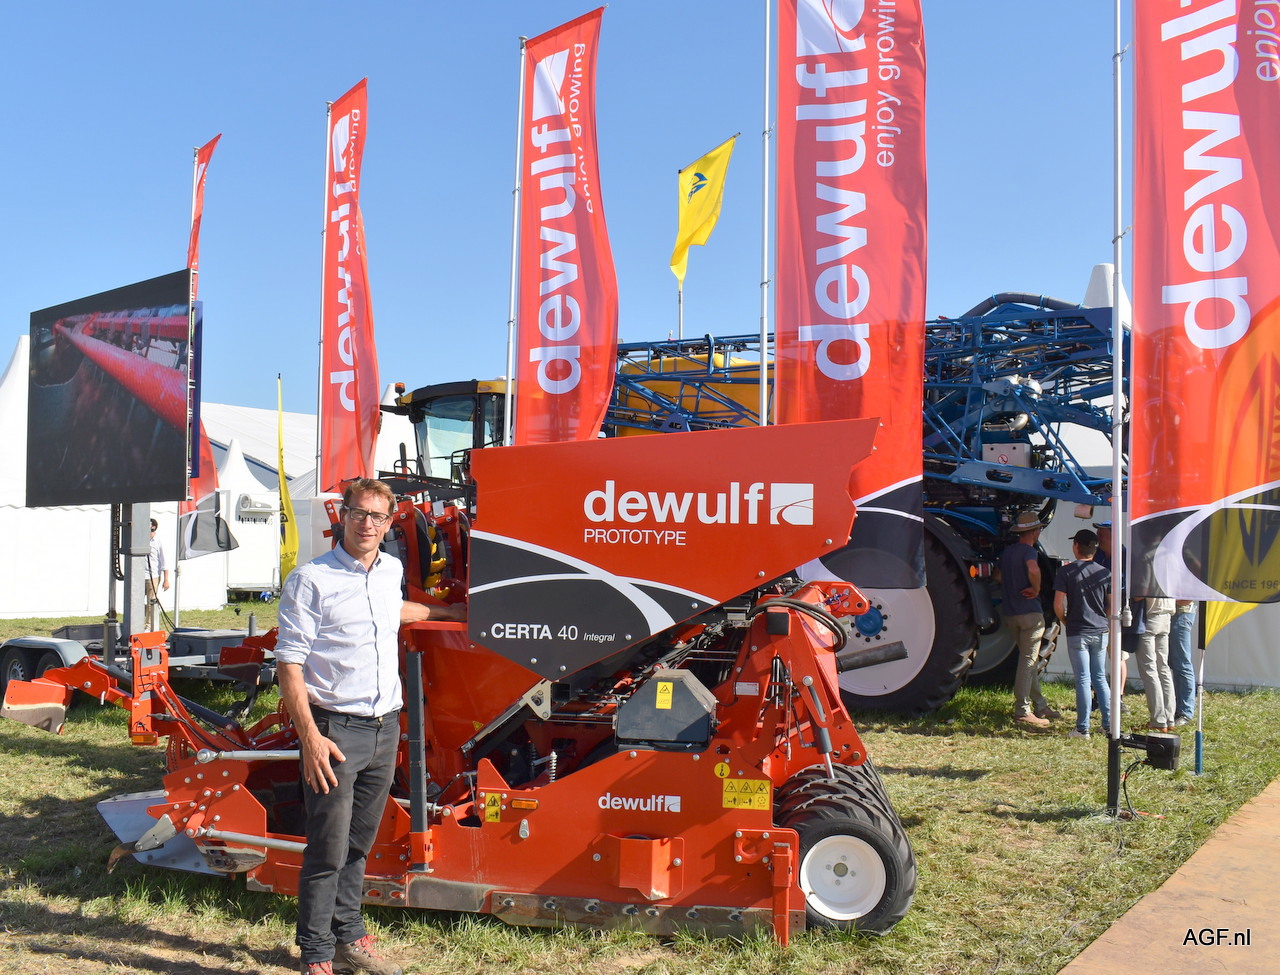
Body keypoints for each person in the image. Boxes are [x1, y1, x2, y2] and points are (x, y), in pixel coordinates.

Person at [275, 478, 465, 975]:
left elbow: (392, 610)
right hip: (336, 732)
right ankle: (316, 953)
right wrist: (311, 738)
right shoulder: (311, 579)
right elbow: (288, 664)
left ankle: (348, 935)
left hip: (384, 729)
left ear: (388, 522)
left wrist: (448, 611)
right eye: (359, 513)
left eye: (378, 517)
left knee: (359, 843)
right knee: (327, 848)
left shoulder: (389, 570)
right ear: (343, 516)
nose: (367, 524)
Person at [1000, 511, 1060, 728]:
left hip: (1011, 614)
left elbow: (997, 576)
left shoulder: (1007, 552)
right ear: (1035, 532)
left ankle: (1040, 705)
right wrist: (1036, 589)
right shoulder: (1029, 551)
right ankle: (1022, 710)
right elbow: (1033, 570)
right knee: (1028, 662)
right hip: (1030, 614)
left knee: (1029, 661)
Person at [1053, 529, 1112, 739]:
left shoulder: (1066, 572)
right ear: (1094, 549)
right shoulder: (1104, 573)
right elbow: (1111, 606)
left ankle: (1082, 728)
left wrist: (1065, 620)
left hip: (1078, 631)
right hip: (1100, 630)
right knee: (1100, 678)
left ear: (1076, 546)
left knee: (1083, 680)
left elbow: (1058, 604)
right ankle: (1109, 725)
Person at [1135, 595, 1177, 731]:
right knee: (1163, 669)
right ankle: (1169, 718)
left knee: (1150, 670)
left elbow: (1138, 595)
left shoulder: (1150, 577)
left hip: (1151, 616)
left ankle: (1159, 720)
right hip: (1166, 617)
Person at [1168, 601, 1198, 726]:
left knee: (1182, 664)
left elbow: (1186, 599)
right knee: (1175, 664)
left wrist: (1167, 599)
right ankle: (1178, 709)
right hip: (1173, 614)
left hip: (1182, 614)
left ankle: (1186, 711)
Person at [145, 518, 171, 632]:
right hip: (140, 576)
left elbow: (164, 561)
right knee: (136, 602)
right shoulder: (141, 540)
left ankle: (148, 626)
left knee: (151, 602)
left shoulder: (158, 542)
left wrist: (166, 579)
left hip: (153, 576)